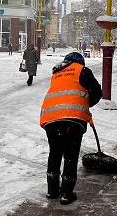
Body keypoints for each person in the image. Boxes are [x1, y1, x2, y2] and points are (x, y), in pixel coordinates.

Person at [40, 51, 102, 205]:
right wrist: (86, 103)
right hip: (73, 118)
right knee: (70, 155)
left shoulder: (57, 72)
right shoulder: (83, 70)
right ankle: (66, 194)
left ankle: (52, 191)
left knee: (55, 153)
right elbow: (98, 92)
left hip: (51, 118)